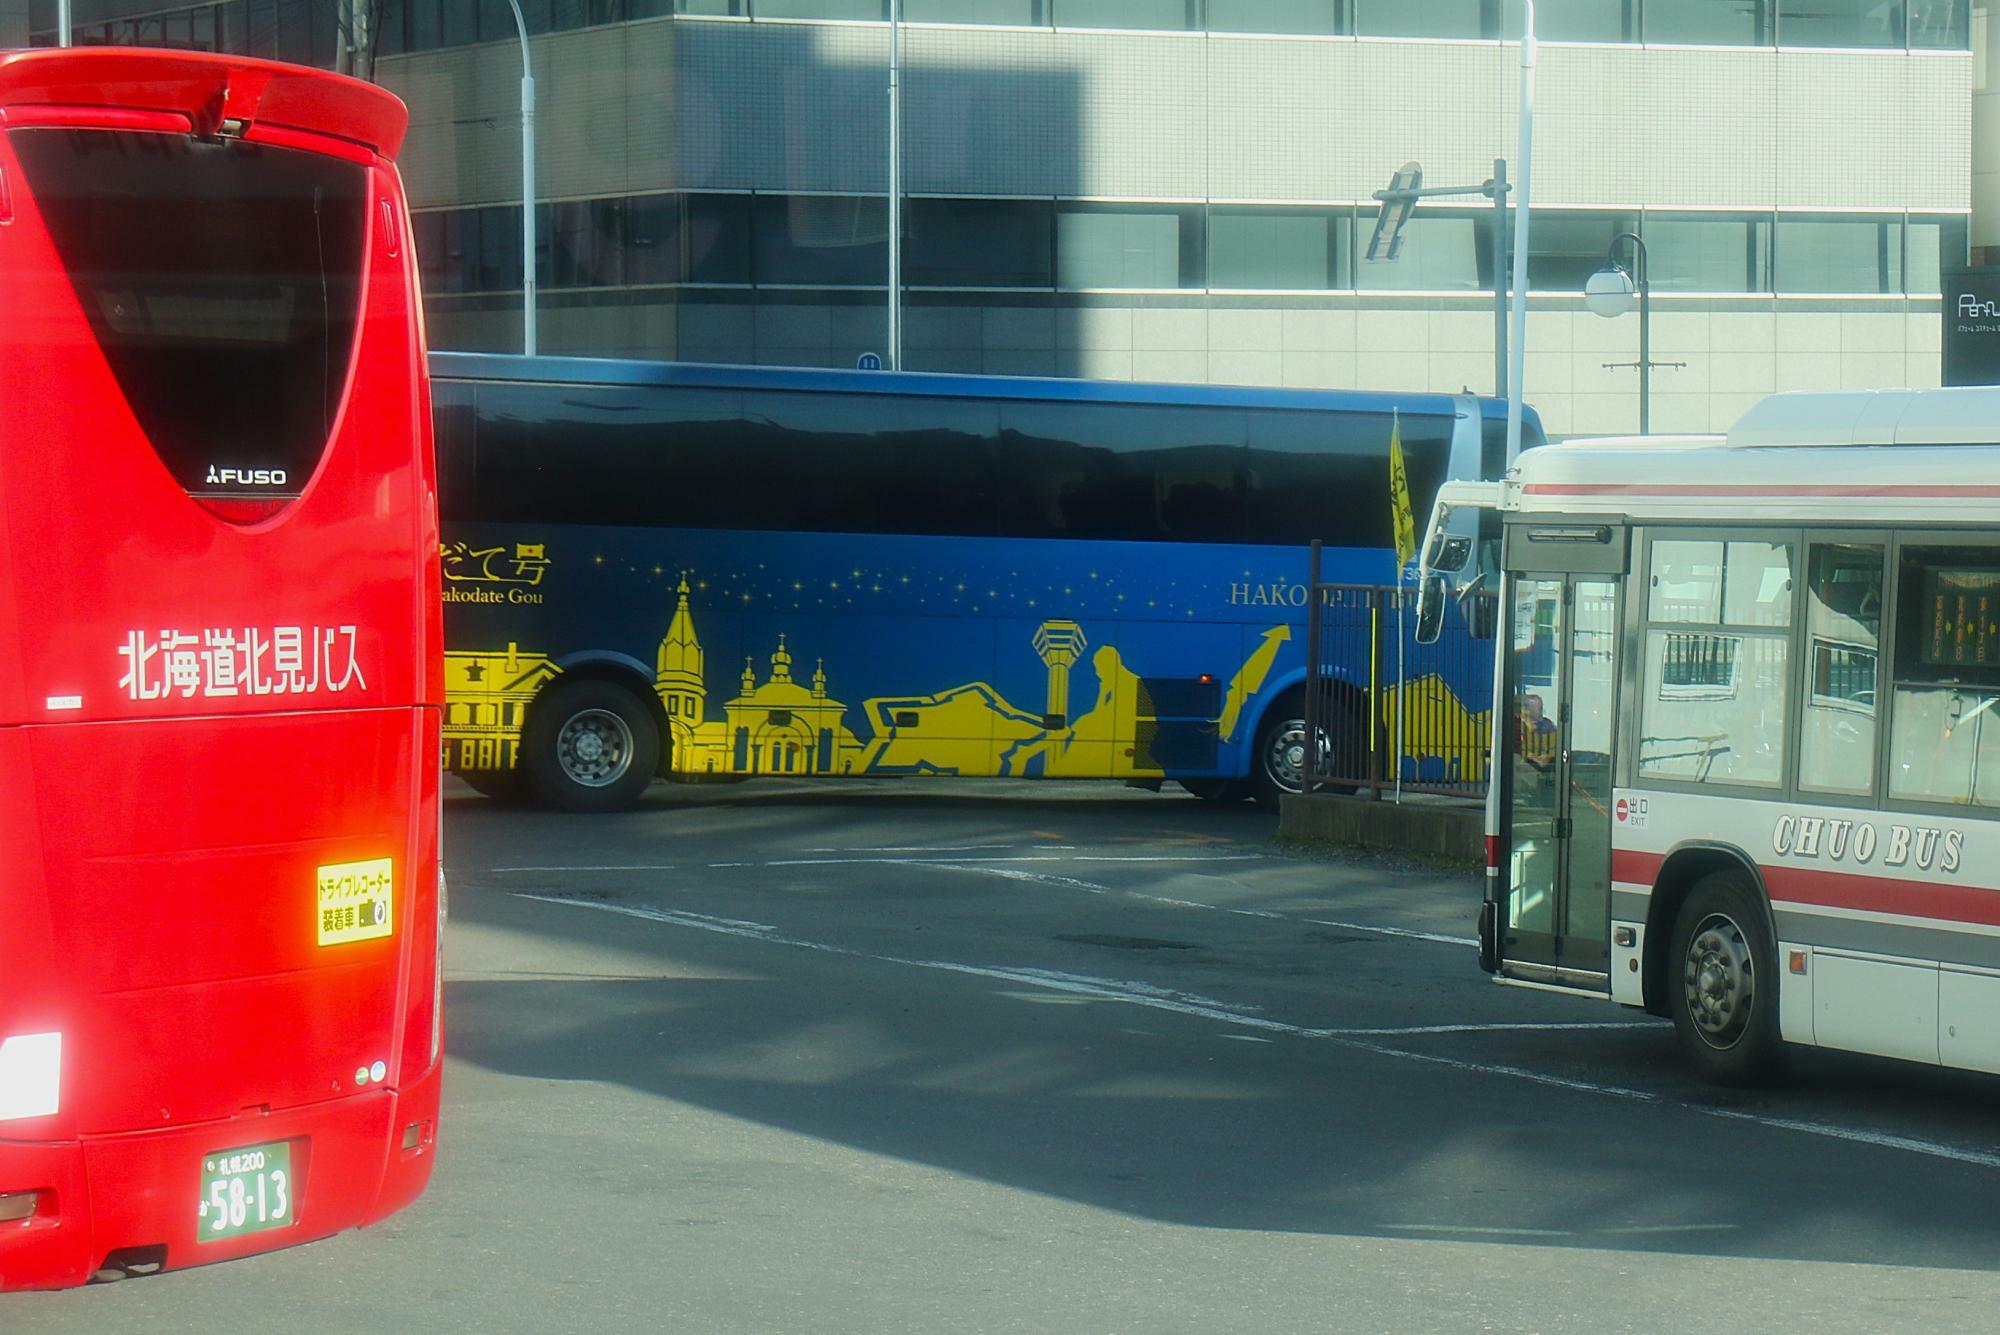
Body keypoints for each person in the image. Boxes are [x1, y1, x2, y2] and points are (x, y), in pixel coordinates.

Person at [1519, 692, 1557, 770]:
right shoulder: (1518, 726)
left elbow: (1556, 747)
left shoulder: (1548, 726)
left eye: (1541, 708)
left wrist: (1548, 756)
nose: (1540, 712)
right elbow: (1518, 750)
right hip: (1525, 767)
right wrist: (1533, 757)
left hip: (1547, 765)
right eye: (1538, 708)